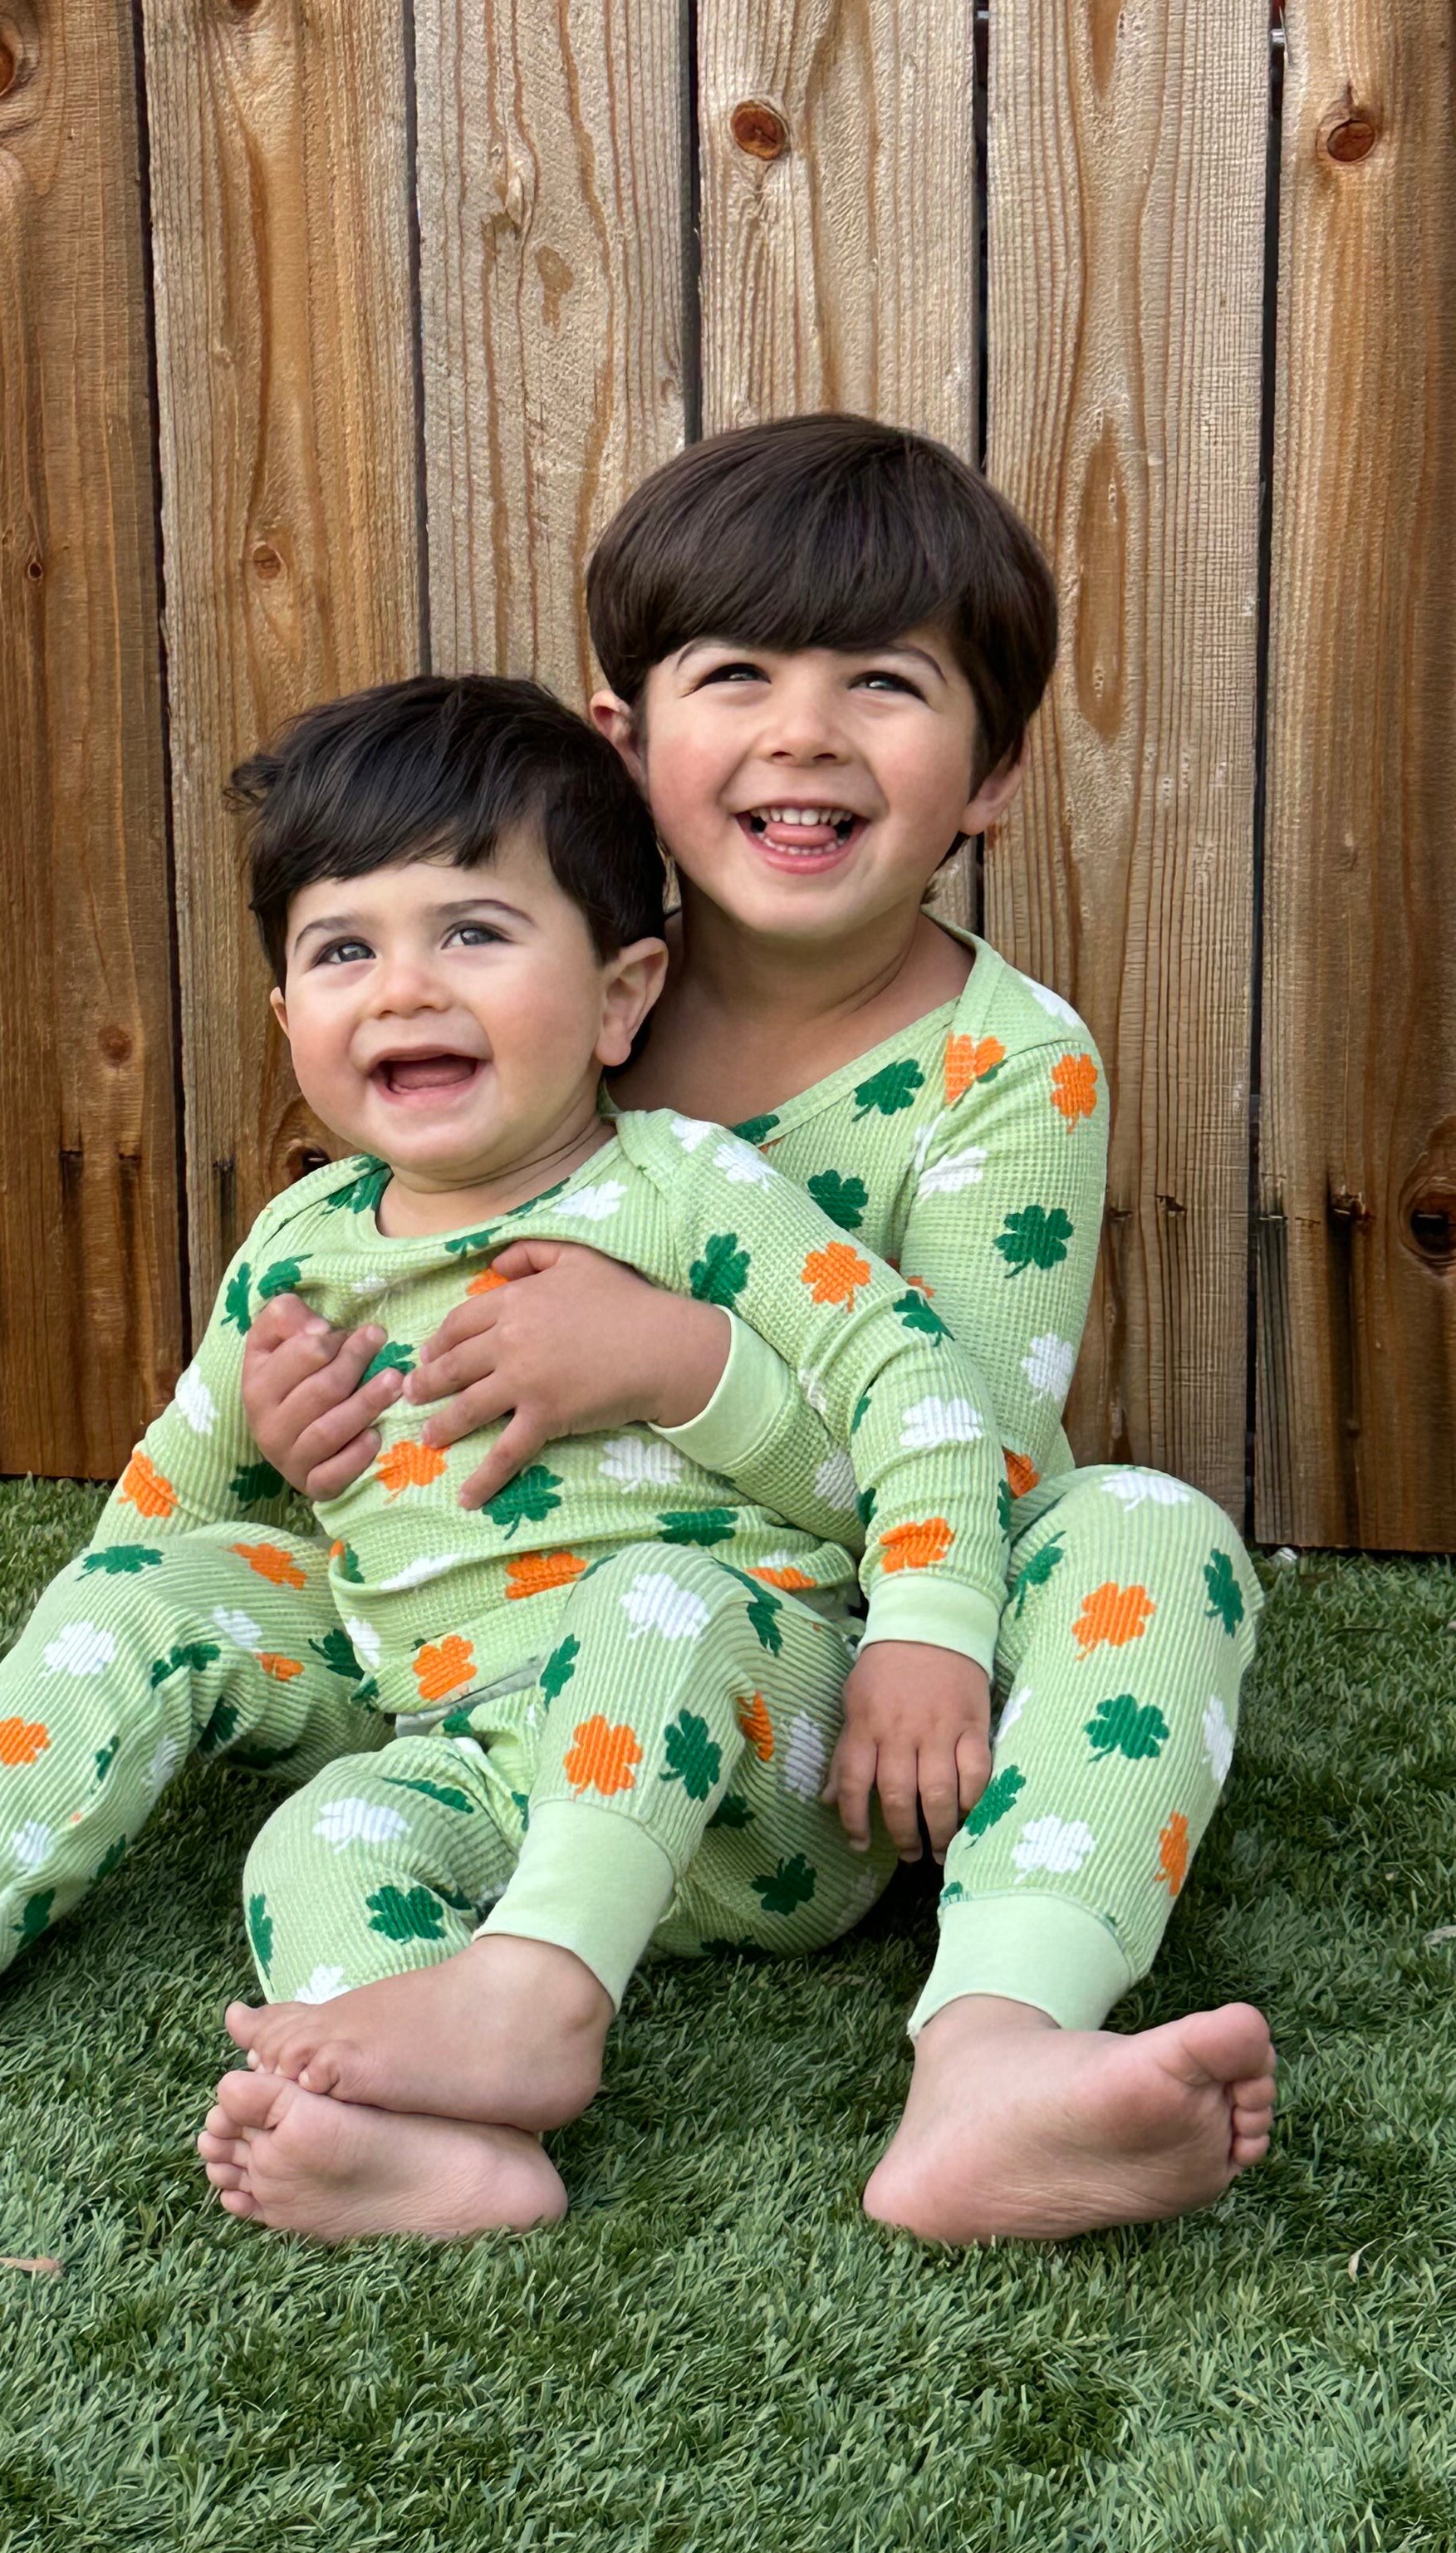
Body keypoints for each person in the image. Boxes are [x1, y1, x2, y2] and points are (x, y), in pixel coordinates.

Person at [0, 675, 1022, 2244]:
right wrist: (47, 1687)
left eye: (471, 930)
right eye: (343, 947)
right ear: (286, 1020)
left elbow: (915, 1380)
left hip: (744, 1764)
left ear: (620, 993)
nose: (401, 987)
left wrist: (933, 1634)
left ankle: (536, 2004)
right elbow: (169, 1502)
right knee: (307, 1827)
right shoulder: (303, 1243)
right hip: (464, 1752)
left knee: (657, 1592)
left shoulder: (682, 1188)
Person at [228, 414, 1273, 2246]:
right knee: (321, 1836)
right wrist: (313, 1422)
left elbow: (974, 1446)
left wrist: (671, 1369)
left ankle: (993, 2054)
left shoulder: (1002, 1067)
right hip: (524, 1712)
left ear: (990, 772)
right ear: (623, 740)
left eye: (881, 683)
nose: (802, 734)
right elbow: (365, 1308)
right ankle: (403, 2110)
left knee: (1145, 1529)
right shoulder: (521, 992)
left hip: (859, 1713)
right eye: (737, 677)